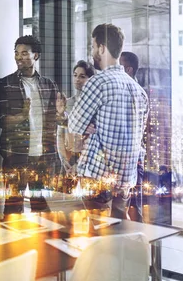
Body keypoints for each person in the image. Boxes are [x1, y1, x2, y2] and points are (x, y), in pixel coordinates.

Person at [63, 24, 149, 219]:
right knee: (120, 231)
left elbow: (75, 125)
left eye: (93, 47)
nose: (92, 52)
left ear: (102, 48)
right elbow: (138, 134)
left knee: (98, 233)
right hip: (126, 176)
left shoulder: (99, 82)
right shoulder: (138, 90)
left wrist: (90, 126)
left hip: (98, 174)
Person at [0, 36, 60, 214]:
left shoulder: (49, 86)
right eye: (16, 53)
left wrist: (62, 115)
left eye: (24, 53)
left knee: (42, 207)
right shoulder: (4, 84)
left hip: (42, 157)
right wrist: (21, 115)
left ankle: (43, 242)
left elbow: (54, 122)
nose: (19, 57)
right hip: (16, 155)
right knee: (13, 206)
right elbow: (1, 121)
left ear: (36, 55)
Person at [56, 61, 95, 176]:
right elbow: (60, 135)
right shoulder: (67, 103)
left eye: (82, 76)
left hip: (88, 160)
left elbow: (93, 137)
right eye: (75, 75)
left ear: (90, 79)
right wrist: (64, 160)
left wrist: (79, 164)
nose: (77, 79)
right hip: (69, 157)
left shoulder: (95, 105)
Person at [119, 51, 145, 223]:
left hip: (129, 160)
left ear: (128, 70)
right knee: (133, 206)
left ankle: (134, 245)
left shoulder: (132, 95)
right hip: (134, 158)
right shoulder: (139, 93)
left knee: (132, 207)